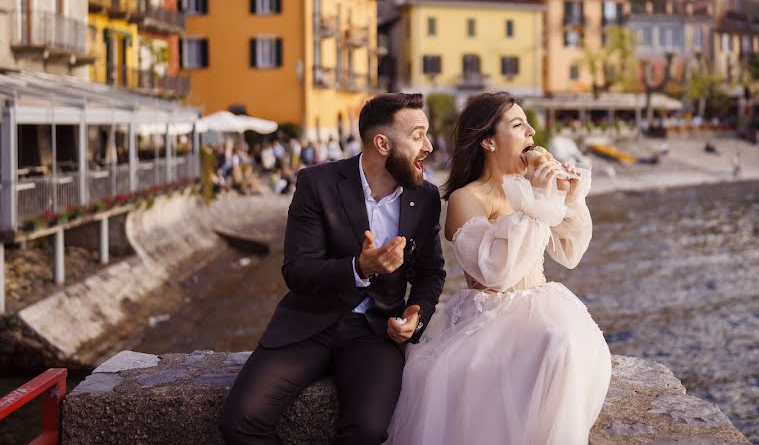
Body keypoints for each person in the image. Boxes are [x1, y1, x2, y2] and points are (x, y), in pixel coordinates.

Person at [219, 93, 446, 445]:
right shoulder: (317, 183)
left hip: (375, 333)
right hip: (308, 324)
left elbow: (431, 273)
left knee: (368, 430)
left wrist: (418, 312)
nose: (429, 146)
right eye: (418, 136)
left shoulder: (426, 198)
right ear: (382, 143)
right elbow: (297, 270)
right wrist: (359, 267)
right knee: (241, 420)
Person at [387, 91, 610, 444]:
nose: (532, 133)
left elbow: (570, 252)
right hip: (490, 318)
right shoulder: (467, 199)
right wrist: (536, 204)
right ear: (488, 141)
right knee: (559, 343)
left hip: (540, 304)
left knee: (575, 344)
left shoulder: (527, 187)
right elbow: (498, 273)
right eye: (519, 125)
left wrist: (565, 197)